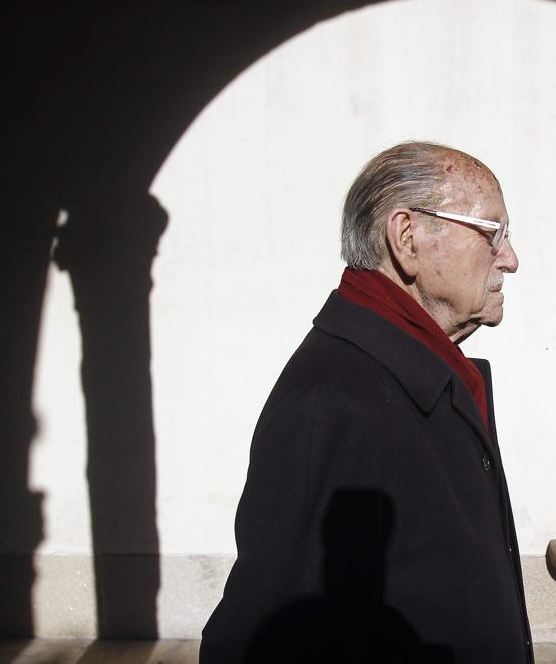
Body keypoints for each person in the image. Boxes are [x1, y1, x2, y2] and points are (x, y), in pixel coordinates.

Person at [200, 142, 530, 663]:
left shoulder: (424, 371)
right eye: (494, 233)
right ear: (407, 238)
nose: (510, 259)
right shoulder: (331, 400)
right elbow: (258, 637)